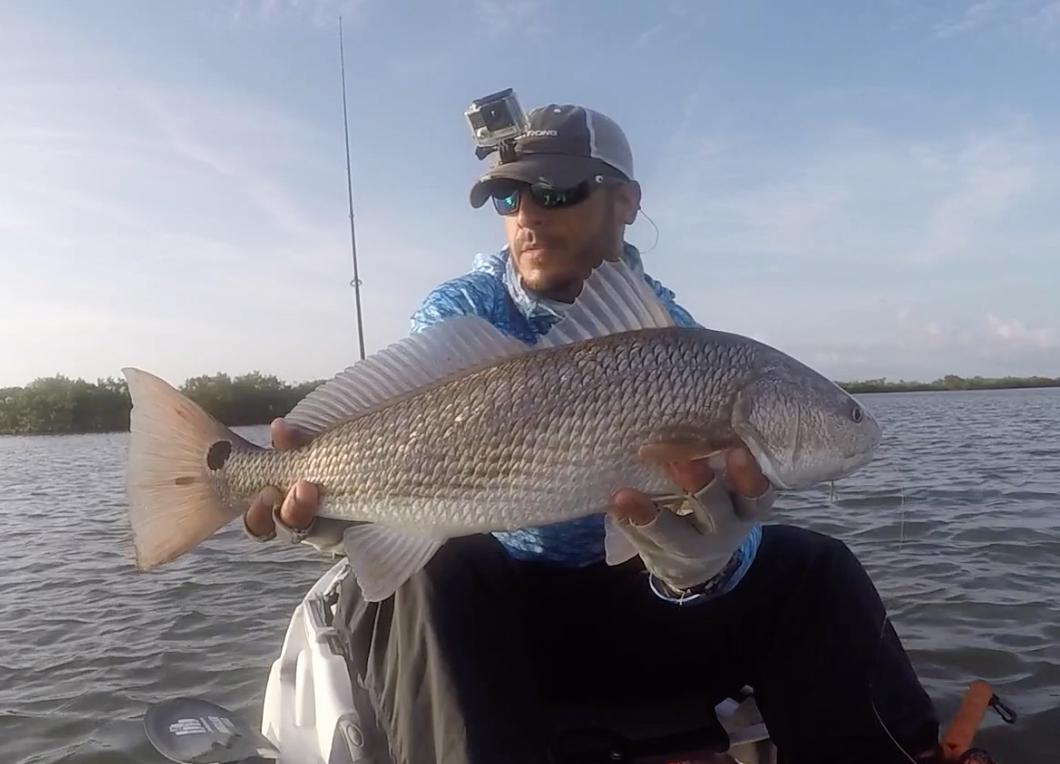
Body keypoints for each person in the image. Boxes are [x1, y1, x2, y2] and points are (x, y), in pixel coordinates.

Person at [242, 103, 966, 764]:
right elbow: (412, 431)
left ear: (627, 201)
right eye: (507, 197)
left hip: (636, 613)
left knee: (816, 569)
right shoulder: (461, 308)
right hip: (493, 627)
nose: (527, 215)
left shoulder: (678, 336)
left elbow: (722, 544)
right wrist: (341, 507)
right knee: (436, 571)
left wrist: (706, 563)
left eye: (556, 191)